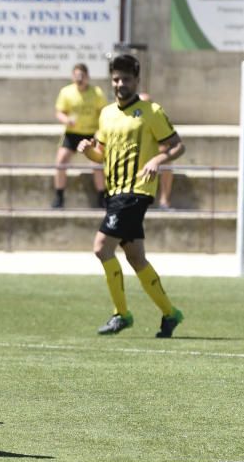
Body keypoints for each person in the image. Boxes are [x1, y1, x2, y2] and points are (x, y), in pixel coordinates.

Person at [78, 54, 185, 338]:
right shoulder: (107, 113)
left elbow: (177, 146)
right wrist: (87, 149)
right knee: (136, 258)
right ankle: (170, 313)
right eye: (116, 79)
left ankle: (121, 314)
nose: (120, 84)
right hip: (114, 191)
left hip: (136, 191)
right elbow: (100, 155)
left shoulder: (151, 111)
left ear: (137, 80)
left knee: (102, 248)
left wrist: (157, 161)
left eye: (126, 79)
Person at [53, 63, 107, 208]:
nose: (80, 79)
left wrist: (100, 131)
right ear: (72, 77)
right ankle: (59, 196)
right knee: (60, 161)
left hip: (91, 133)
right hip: (72, 134)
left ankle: (102, 196)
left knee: (97, 163)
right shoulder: (66, 92)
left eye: (82, 76)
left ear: (88, 77)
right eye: (77, 76)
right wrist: (66, 120)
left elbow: (104, 113)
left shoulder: (97, 92)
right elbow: (59, 112)